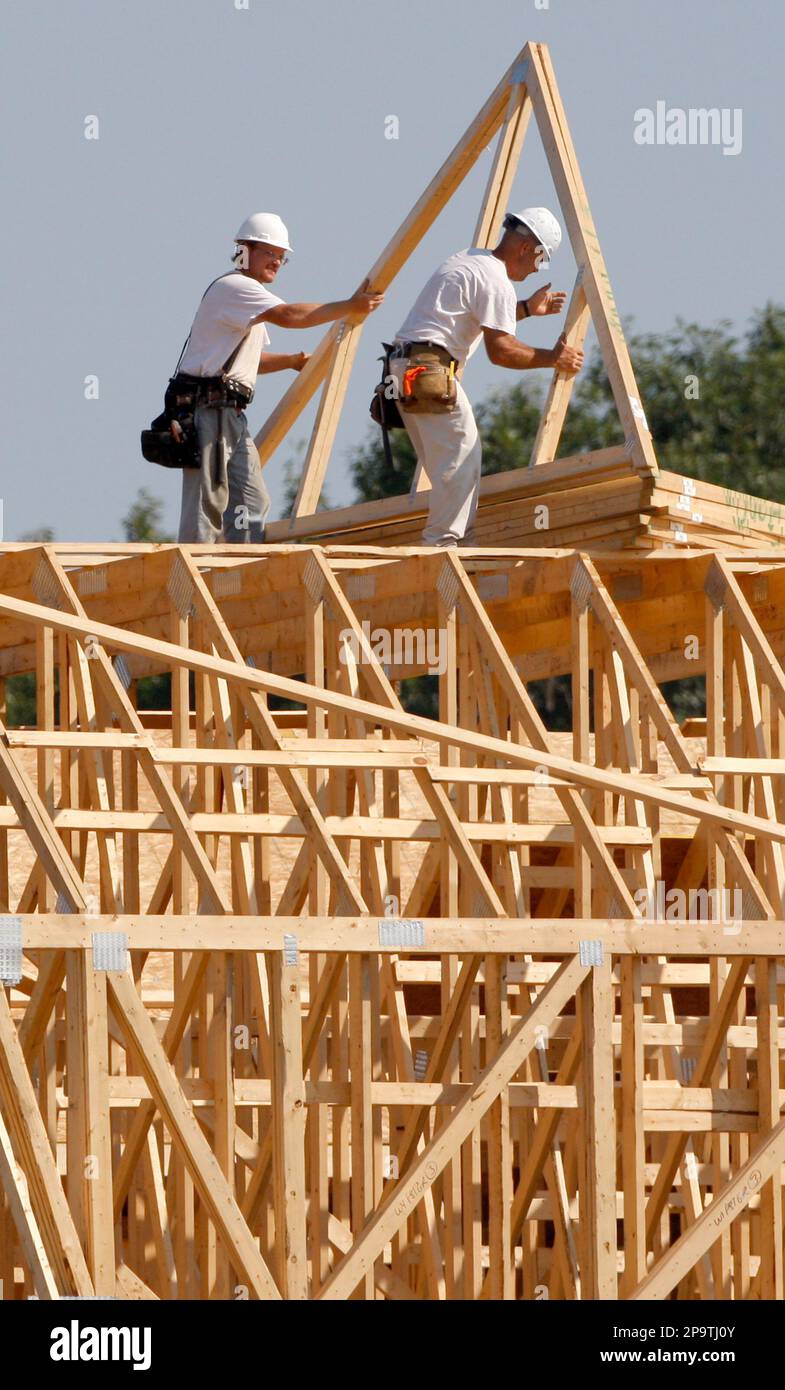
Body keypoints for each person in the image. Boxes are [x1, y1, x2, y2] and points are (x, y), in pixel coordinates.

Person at [176, 212, 383, 543]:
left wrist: (291, 362)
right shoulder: (236, 287)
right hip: (208, 411)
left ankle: (238, 564)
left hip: (228, 413)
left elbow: (250, 362)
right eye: (269, 252)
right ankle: (191, 569)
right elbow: (288, 315)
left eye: (281, 256)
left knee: (252, 500)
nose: (276, 261)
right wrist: (349, 306)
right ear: (244, 250)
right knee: (206, 505)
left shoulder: (246, 301)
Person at [389, 207, 583, 547]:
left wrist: (525, 309)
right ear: (527, 248)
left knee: (448, 465)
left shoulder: (471, 259)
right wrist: (553, 358)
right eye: (541, 260)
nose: (537, 269)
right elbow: (501, 351)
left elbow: (479, 316)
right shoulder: (496, 281)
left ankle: (457, 542)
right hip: (429, 369)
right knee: (463, 455)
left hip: (405, 369)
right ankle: (443, 546)